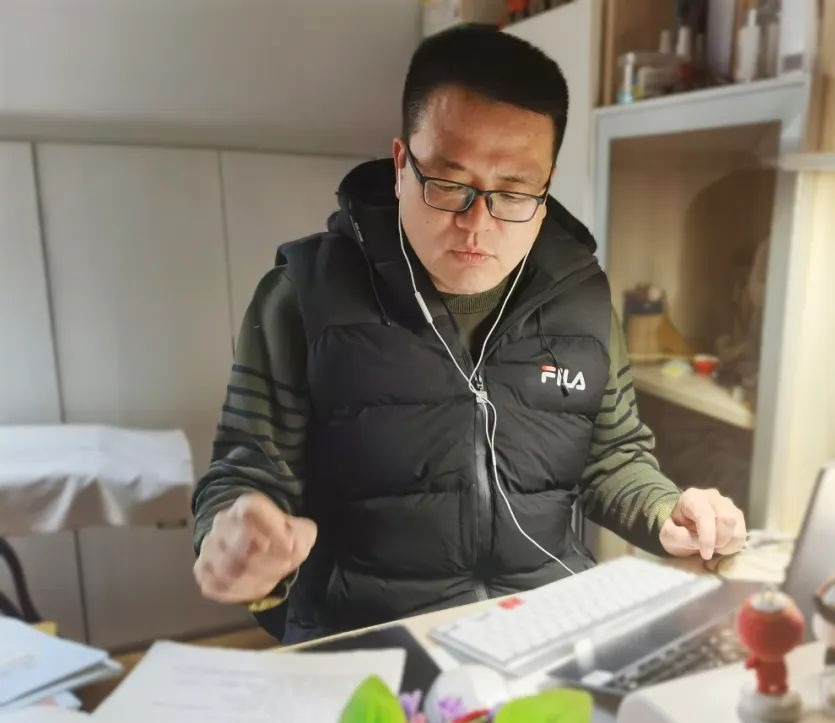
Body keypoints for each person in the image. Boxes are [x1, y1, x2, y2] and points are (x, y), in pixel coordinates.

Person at [191, 26, 747, 643]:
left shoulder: (581, 295)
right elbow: (245, 476)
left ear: (546, 184)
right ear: (401, 164)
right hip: (372, 644)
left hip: (543, 631)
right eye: (449, 185)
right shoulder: (303, 294)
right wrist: (234, 539)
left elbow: (611, 456)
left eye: (513, 191)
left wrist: (666, 509)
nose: (477, 224)